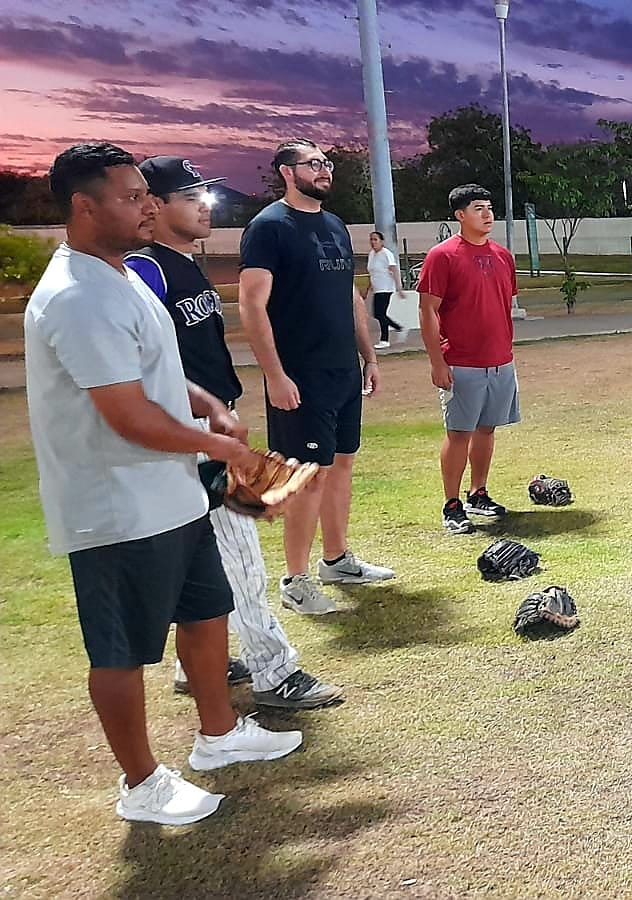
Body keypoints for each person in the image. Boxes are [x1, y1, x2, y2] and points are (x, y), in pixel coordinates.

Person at [25, 143, 301, 825]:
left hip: (170, 495)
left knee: (207, 613)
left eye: (146, 194)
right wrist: (218, 447)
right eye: (129, 197)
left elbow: (146, 373)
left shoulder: (119, 276)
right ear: (83, 207)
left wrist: (203, 400)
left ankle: (219, 735)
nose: (145, 207)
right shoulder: (76, 295)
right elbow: (126, 413)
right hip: (116, 506)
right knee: (120, 649)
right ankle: (142, 783)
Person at [125, 155, 344, 709]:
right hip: (188, 426)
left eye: (206, 194)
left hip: (205, 420)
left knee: (200, 549)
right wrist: (204, 425)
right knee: (239, 553)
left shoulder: (184, 264)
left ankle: (199, 661)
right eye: (190, 195)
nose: (206, 205)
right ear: (153, 205)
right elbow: (140, 360)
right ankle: (276, 673)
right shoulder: (145, 269)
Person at [238, 138, 394, 615]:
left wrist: (367, 353)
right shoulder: (268, 228)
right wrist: (275, 375)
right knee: (307, 476)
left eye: (326, 163)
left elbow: (348, 295)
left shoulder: (334, 225)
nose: (325, 170)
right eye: (314, 164)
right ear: (287, 172)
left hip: (342, 370)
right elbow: (251, 304)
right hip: (299, 376)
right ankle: (295, 580)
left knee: (341, 465)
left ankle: (337, 559)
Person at [416, 184, 521, 535]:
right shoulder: (443, 256)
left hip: (500, 361)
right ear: (460, 215)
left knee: (487, 429)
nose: (487, 214)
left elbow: (502, 304)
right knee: (459, 432)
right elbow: (427, 310)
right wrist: (437, 362)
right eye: (478, 208)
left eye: (489, 207)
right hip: (461, 362)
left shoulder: (503, 255)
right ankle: (452, 504)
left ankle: (478, 492)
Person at [367, 231, 404, 349]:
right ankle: (397, 327)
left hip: (386, 288)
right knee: (377, 314)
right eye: (371, 240)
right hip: (377, 288)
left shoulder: (386, 253)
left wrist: (399, 288)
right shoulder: (372, 254)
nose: (373, 242)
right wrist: (368, 288)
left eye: (375, 239)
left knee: (380, 313)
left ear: (381, 241)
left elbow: (394, 270)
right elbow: (372, 272)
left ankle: (385, 339)